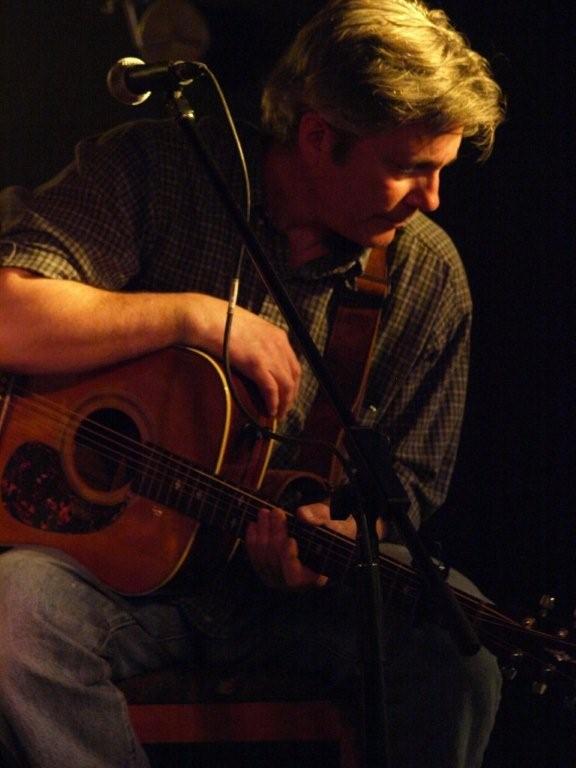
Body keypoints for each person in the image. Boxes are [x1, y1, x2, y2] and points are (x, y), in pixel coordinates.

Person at [0, 0, 505, 766]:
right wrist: (197, 318)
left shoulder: (426, 277)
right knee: (13, 615)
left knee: (456, 656)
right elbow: (11, 313)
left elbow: (409, 484)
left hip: (282, 599)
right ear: (317, 136)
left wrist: (329, 541)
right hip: (112, 577)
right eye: (409, 168)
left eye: (440, 168)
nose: (432, 198)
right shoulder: (157, 171)